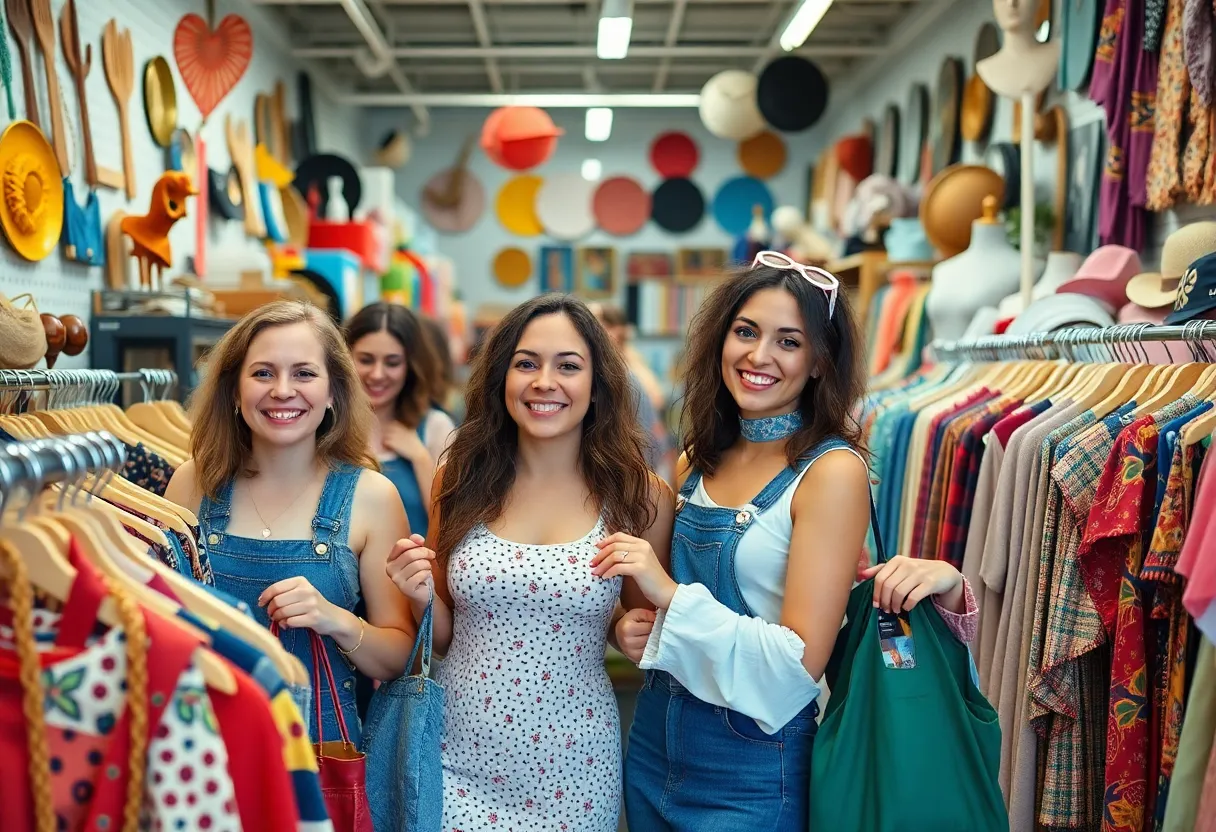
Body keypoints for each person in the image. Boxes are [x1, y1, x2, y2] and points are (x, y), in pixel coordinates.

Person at [605, 252, 978, 831]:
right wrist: (640, 628)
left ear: (820, 363)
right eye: (746, 332)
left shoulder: (830, 474)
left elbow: (799, 664)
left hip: (754, 765)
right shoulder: (694, 463)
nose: (759, 356)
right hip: (653, 744)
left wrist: (671, 599)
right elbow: (662, 623)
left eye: (788, 341)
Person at [384, 293, 674, 831]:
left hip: (576, 769)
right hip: (456, 758)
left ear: (597, 384)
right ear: (501, 378)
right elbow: (447, 636)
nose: (545, 381)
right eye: (526, 363)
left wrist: (634, 631)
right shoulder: (460, 479)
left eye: (568, 365)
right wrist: (420, 592)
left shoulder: (641, 495)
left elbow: (642, 632)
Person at [165, 300, 417, 746]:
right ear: (234, 391)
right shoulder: (192, 484)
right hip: (203, 755)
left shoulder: (372, 497)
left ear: (334, 391)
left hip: (318, 762)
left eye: (304, 373)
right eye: (263, 373)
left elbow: (399, 656)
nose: (283, 390)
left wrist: (334, 619)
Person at [345, 302, 457, 539]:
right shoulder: (327, 426)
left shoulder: (436, 428)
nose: (377, 374)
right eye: (366, 360)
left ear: (411, 366)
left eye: (392, 362)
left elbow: (454, 527)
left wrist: (420, 459)